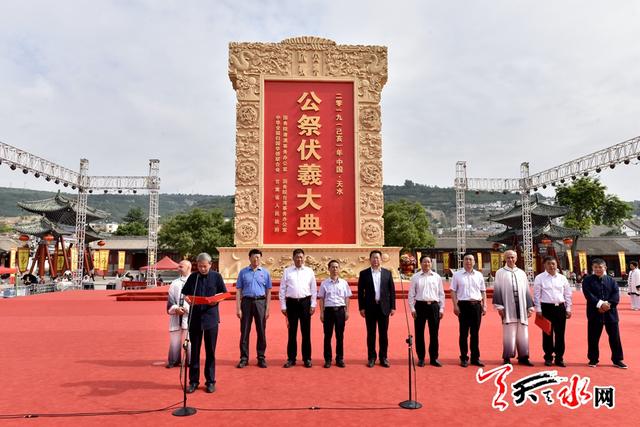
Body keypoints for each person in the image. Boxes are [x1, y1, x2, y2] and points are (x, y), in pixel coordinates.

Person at [181, 253, 227, 393]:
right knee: (194, 351)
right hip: (195, 318)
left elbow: (223, 294)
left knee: (210, 351)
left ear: (210, 264)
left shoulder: (216, 277)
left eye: (205, 266)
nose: (202, 269)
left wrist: (215, 299)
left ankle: (210, 381)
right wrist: (188, 299)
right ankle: (193, 381)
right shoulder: (193, 277)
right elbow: (186, 294)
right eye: (200, 266)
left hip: (211, 319)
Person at [582, 258, 627, 368]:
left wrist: (609, 305)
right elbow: (588, 295)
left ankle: (617, 359)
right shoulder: (587, 280)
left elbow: (616, 295)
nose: (598, 269)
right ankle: (593, 359)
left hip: (611, 313)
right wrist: (600, 304)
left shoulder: (611, 281)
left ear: (605, 268)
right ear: (592, 268)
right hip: (594, 312)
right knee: (593, 337)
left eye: (600, 267)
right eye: (595, 267)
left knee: (615, 337)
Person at [493, 250, 534, 366]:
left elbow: (526, 290)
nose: (510, 259)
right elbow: (498, 290)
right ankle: (507, 357)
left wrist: (529, 307)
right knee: (508, 333)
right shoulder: (500, 273)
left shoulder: (521, 273)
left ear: (516, 258)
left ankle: (523, 356)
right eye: (508, 258)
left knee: (523, 333)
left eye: (512, 257)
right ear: (505, 259)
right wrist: (499, 306)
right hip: (507, 306)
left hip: (521, 307)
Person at [279, 248, 317, 368]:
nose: (299, 259)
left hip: (305, 303)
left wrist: (313, 304)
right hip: (292, 304)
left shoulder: (309, 271)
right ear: (293, 258)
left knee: (306, 332)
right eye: (297, 257)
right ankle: (291, 358)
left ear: (304, 258)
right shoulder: (287, 271)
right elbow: (282, 289)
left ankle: (307, 358)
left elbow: (314, 289)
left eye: (301, 257)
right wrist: (283, 305)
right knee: (292, 332)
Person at [358, 250, 396, 368]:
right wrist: (361, 307)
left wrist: (393, 307)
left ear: (381, 259)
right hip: (370, 307)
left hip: (384, 307)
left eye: (377, 258)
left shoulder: (387, 273)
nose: (376, 260)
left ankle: (383, 357)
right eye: (373, 258)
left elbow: (392, 291)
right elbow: (360, 292)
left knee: (383, 334)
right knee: (371, 334)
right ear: (370, 259)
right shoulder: (364, 274)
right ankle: (371, 357)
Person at [533, 256, 573, 367]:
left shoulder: (562, 278)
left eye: (553, 264)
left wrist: (568, 308)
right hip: (546, 308)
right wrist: (538, 309)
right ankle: (548, 357)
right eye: (549, 264)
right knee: (547, 334)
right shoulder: (539, 278)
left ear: (556, 265)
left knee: (560, 334)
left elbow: (568, 294)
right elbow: (536, 295)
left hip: (560, 308)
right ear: (544, 265)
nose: (552, 266)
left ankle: (559, 358)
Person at [236, 249, 272, 368]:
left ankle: (261, 357)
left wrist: (267, 309)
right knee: (244, 331)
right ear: (249, 258)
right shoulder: (243, 272)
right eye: (253, 257)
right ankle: (244, 358)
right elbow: (238, 290)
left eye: (258, 257)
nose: (256, 259)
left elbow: (268, 291)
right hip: (246, 302)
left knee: (261, 331)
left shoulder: (265, 273)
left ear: (260, 259)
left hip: (260, 302)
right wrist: (238, 308)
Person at [450, 253, 486, 367]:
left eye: (470, 259)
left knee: (475, 333)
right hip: (463, 306)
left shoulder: (479, 275)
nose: (468, 261)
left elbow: (483, 291)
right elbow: (453, 291)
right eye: (466, 259)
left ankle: (475, 358)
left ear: (474, 262)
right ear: (463, 261)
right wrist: (455, 306)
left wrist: (484, 305)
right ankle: (464, 358)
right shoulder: (457, 275)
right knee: (464, 333)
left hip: (476, 306)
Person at [408, 255, 445, 367]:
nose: (427, 264)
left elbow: (441, 294)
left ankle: (434, 358)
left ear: (431, 263)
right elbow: (411, 295)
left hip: (434, 306)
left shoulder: (437, 277)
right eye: (424, 262)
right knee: (419, 333)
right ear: (420, 263)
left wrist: (441, 308)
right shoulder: (415, 277)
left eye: (428, 262)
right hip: (420, 306)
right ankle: (421, 358)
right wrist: (412, 308)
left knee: (434, 334)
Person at [318, 260, 352, 368]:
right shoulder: (324, 283)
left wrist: (347, 311)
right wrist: (322, 313)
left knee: (340, 336)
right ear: (328, 269)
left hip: (340, 311)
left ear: (339, 269)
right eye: (332, 267)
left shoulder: (344, 283)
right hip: (328, 311)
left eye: (337, 267)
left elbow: (347, 297)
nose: (335, 269)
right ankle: (328, 359)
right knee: (327, 336)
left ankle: (339, 358)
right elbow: (321, 299)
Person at [166, 260, 192, 368]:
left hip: (189, 316)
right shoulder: (174, 283)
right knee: (174, 340)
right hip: (176, 316)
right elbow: (170, 300)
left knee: (190, 340)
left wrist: (188, 308)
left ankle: (189, 361)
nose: (179, 268)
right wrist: (175, 308)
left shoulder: (195, 281)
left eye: (181, 266)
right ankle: (174, 360)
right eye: (179, 266)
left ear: (188, 267)